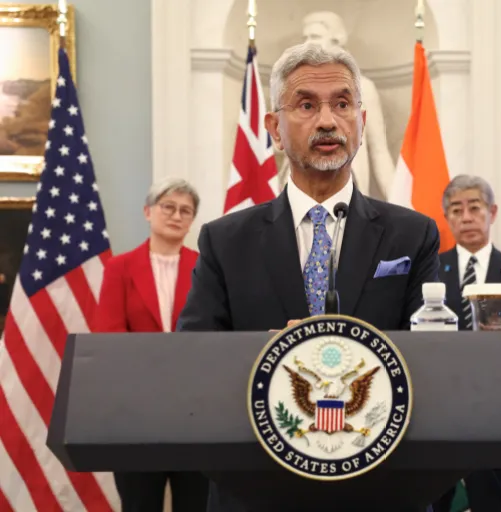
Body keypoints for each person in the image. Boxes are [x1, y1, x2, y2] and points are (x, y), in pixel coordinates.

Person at [176, 41, 440, 512]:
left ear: (360, 122)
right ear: (274, 128)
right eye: (306, 105)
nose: (327, 121)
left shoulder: (413, 234)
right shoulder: (224, 240)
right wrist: (278, 357)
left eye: (342, 104)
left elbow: (431, 358)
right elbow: (197, 359)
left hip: (380, 485)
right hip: (257, 486)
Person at [93, 177, 209, 512]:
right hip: (135, 412)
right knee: (139, 502)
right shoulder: (119, 268)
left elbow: (216, 335)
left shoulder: (205, 267)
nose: (176, 215)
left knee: (196, 502)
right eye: (168, 207)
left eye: (185, 211)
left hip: (195, 413)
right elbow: (109, 337)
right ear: (148, 212)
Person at [431, 174, 501, 512]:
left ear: (491, 213)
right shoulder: (431, 269)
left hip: (497, 401)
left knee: (489, 492)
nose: (466, 217)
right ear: (446, 217)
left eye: (474, 208)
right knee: (439, 491)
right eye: (456, 210)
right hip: (442, 401)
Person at [275, 11, 395, 199]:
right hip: (296, 185)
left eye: (314, 37)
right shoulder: (291, 87)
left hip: (348, 184)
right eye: (304, 37)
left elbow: (379, 151)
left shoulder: (364, 87)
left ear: (336, 42)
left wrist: (399, 204)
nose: (306, 43)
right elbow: (277, 144)